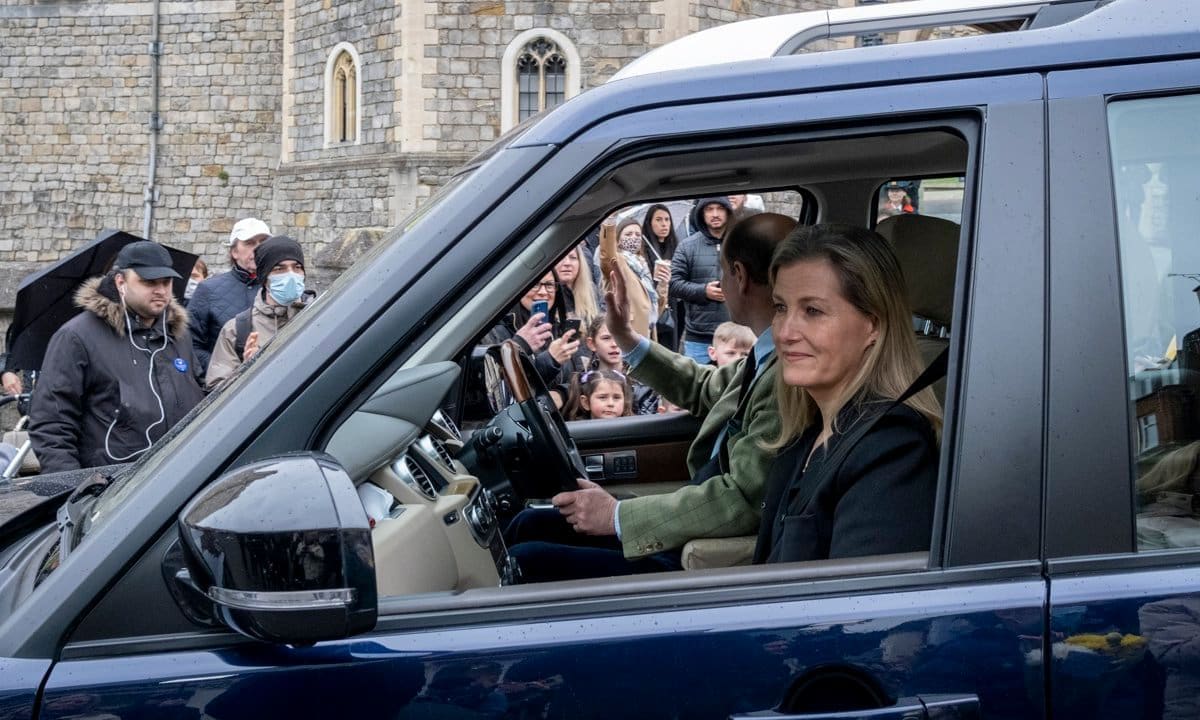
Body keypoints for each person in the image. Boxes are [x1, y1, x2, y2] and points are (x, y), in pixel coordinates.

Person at [504, 213, 795, 582]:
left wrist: (616, 516)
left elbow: (742, 500)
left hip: (704, 556)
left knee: (526, 560)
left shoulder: (788, 371)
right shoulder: (765, 356)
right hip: (697, 527)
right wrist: (625, 335)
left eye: (720, 270)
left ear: (738, 274)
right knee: (529, 524)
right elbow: (704, 388)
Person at [753, 223, 942, 564]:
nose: (785, 332)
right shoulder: (807, 434)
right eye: (781, 307)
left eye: (813, 311)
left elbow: (861, 610)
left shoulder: (892, 451)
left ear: (873, 325)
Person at [30, 241, 204, 473]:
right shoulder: (77, 336)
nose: (161, 290)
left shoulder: (178, 335)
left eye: (166, 282)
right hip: (110, 487)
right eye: (149, 282)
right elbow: (52, 422)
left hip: (178, 477)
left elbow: (200, 396)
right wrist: (71, 489)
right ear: (120, 282)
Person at [205, 236, 314, 390]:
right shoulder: (237, 329)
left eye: (297, 267)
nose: (290, 275)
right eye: (279, 269)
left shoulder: (319, 314)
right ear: (264, 278)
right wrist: (247, 370)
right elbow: (216, 391)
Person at [188, 217, 271, 374]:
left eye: (263, 242)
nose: (258, 248)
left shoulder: (280, 286)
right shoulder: (208, 290)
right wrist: (228, 371)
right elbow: (190, 345)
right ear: (234, 251)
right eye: (250, 243)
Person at [482, 272, 583, 392]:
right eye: (535, 284)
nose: (543, 292)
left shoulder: (558, 330)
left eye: (549, 285)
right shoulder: (497, 330)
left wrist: (562, 394)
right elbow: (498, 388)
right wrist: (548, 359)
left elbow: (578, 382)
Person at [671, 196, 733, 363]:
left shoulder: (741, 244)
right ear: (701, 214)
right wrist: (703, 291)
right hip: (699, 337)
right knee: (698, 386)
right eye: (709, 209)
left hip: (735, 334)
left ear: (728, 212)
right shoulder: (687, 246)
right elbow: (674, 284)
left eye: (720, 208)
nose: (715, 214)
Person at [582, 316, 658, 415]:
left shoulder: (643, 387)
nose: (614, 344)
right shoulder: (582, 383)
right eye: (606, 338)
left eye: (620, 337)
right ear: (591, 343)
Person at [641, 204, 680, 350]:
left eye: (667, 219)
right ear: (650, 223)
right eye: (658, 220)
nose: (664, 224)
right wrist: (655, 276)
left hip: (674, 307)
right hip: (652, 308)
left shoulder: (676, 247)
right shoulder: (644, 249)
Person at [555, 244, 600, 327]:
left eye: (573, 258)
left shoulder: (591, 290)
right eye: (560, 257)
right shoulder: (548, 294)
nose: (567, 263)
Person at [565, 369, 632, 420]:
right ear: (586, 402)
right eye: (602, 397)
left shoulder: (634, 430)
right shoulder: (575, 432)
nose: (611, 403)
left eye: (616, 397)